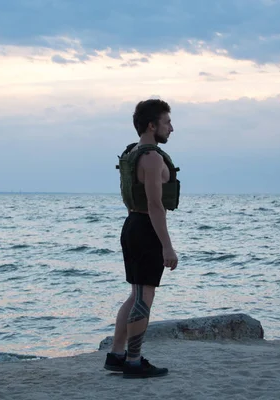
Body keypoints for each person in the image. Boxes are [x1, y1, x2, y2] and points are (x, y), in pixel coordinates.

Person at [104, 99, 181, 378]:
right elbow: (155, 205)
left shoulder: (132, 153)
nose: (171, 128)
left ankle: (116, 355)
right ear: (152, 125)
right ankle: (134, 361)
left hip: (132, 224)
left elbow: (131, 197)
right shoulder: (151, 157)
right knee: (144, 296)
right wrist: (167, 246)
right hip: (145, 227)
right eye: (167, 122)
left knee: (136, 293)